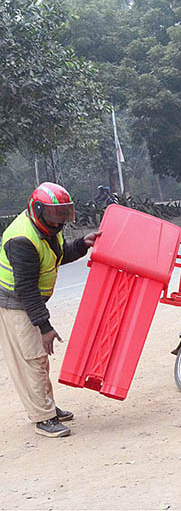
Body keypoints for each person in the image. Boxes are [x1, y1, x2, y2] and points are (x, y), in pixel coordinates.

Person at [0, 182, 100, 438]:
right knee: (33, 359)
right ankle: (43, 418)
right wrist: (45, 327)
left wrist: (81, 244)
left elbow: (55, 257)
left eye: (64, 214)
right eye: (56, 214)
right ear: (38, 210)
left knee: (40, 361)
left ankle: (45, 406)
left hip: (28, 300)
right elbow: (26, 289)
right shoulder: (22, 239)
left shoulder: (48, 228)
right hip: (15, 303)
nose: (60, 220)